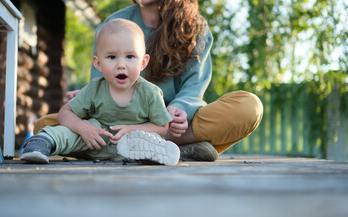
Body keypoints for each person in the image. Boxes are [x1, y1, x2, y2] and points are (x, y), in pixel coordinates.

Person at [33, 0, 264, 162]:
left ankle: (164, 145)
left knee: (248, 106)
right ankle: (180, 151)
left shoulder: (195, 27)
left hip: (173, 125)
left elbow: (195, 85)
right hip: (114, 124)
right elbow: (100, 82)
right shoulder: (113, 24)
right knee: (45, 127)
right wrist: (83, 95)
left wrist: (179, 108)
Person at [20, 18, 180, 166]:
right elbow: (64, 113)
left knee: (153, 139)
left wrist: (133, 130)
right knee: (71, 131)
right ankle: (42, 142)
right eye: (111, 57)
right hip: (95, 140)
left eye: (130, 56)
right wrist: (83, 128)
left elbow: (162, 126)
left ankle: (152, 154)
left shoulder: (150, 92)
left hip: (133, 141)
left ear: (143, 62)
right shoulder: (94, 88)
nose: (121, 65)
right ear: (98, 64)